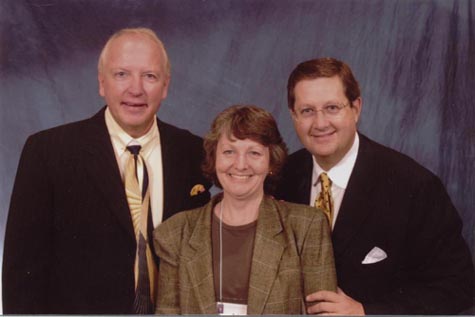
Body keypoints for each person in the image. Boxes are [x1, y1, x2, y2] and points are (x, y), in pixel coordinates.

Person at [2, 27, 211, 314]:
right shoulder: (48, 152)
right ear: (102, 83)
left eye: (149, 76)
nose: (135, 89)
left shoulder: (194, 151)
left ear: (165, 85)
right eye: (121, 74)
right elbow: (21, 274)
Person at [275, 57, 474, 315]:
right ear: (293, 115)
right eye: (307, 111)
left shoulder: (414, 186)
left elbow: (459, 286)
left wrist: (366, 312)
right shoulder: (282, 177)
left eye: (332, 108)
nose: (320, 123)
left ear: (356, 108)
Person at [153, 105, 337, 314]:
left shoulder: (306, 227)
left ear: (271, 162)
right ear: (214, 159)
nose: (240, 165)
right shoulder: (175, 234)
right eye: (229, 152)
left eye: (254, 152)